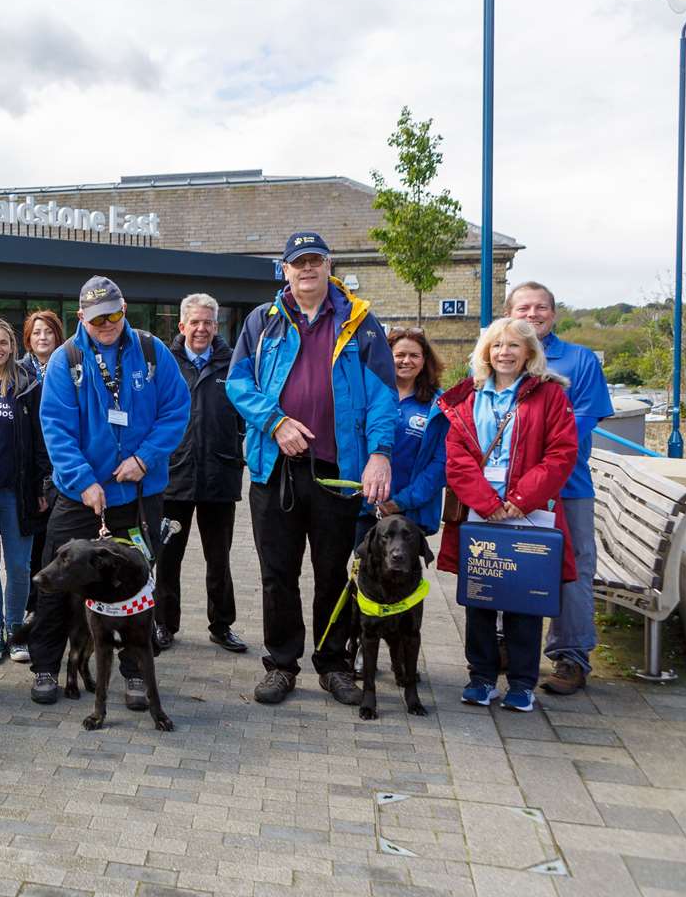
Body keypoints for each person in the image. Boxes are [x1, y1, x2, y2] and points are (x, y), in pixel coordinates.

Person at [226, 232, 397, 707]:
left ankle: (334, 664)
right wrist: (275, 421)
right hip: (274, 470)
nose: (306, 269)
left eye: (314, 261)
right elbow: (238, 385)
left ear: (328, 265)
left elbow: (384, 395)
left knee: (333, 572)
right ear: (284, 270)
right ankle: (281, 664)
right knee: (277, 574)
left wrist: (380, 452)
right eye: (297, 262)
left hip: (337, 472)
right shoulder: (262, 321)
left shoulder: (361, 323)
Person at [28, 277, 190, 707]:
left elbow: (176, 411)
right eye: (98, 317)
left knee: (135, 588)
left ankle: (135, 672)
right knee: (55, 581)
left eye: (114, 314)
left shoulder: (153, 352)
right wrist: (84, 480)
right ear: (81, 317)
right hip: (81, 497)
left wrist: (145, 458)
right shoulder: (68, 360)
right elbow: (57, 429)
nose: (107, 324)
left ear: (124, 310)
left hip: (137, 496)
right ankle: (45, 664)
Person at [437, 317, 578, 712]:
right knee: (480, 597)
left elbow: (561, 453)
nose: (504, 353)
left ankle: (521, 683)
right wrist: (486, 501)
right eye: (497, 346)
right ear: (485, 353)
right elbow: (458, 457)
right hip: (481, 514)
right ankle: (480, 678)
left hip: (529, 514)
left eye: (514, 346)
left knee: (525, 599)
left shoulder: (549, 396)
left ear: (529, 353)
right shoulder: (469, 395)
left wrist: (520, 497)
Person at [506, 282, 613, 696]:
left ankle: (570, 656)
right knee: (509, 565)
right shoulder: (499, 353)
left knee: (572, 571)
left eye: (542, 307)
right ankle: (509, 647)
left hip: (568, 488)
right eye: (524, 307)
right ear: (509, 312)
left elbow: (578, 424)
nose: (533, 314)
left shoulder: (580, 361)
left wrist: (537, 470)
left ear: (554, 313)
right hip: (509, 492)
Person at [156, 294, 247, 656]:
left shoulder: (234, 364)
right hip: (173, 476)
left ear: (216, 326)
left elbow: (245, 414)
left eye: (209, 322)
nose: (202, 328)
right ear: (182, 325)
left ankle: (221, 625)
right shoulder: (165, 362)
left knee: (219, 558)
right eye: (195, 322)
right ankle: (164, 623)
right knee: (166, 558)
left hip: (219, 476)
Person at [0, 317, 50, 663]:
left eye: (4, 343)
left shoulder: (28, 386)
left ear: (13, 347)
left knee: (18, 566)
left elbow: (41, 439)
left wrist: (42, 484)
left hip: (18, 493)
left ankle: (16, 634)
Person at [361, 327, 448, 544]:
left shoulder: (438, 406)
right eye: (399, 355)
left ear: (424, 360)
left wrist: (401, 502)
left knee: (403, 574)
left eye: (414, 355)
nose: (406, 361)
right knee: (364, 573)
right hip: (364, 509)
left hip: (410, 513)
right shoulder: (366, 397)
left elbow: (441, 464)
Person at [15, 308, 65, 659]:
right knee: (32, 546)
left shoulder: (69, 366)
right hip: (29, 472)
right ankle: (33, 606)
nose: (42, 338)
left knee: (58, 543)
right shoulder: (18, 373)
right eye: (36, 333)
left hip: (64, 469)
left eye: (48, 331)